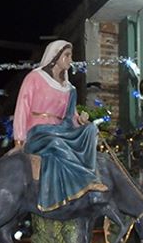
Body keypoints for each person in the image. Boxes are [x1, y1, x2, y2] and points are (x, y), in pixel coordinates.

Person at [12, 40, 106, 212]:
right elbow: (22, 108)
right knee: (55, 142)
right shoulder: (35, 78)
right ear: (55, 56)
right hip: (38, 133)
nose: (70, 60)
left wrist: (81, 121)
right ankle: (86, 179)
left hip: (62, 130)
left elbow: (71, 117)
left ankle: (86, 175)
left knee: (90, 129)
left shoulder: (69, 89)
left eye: (71, 56)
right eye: (67, 55)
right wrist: (19, 140)